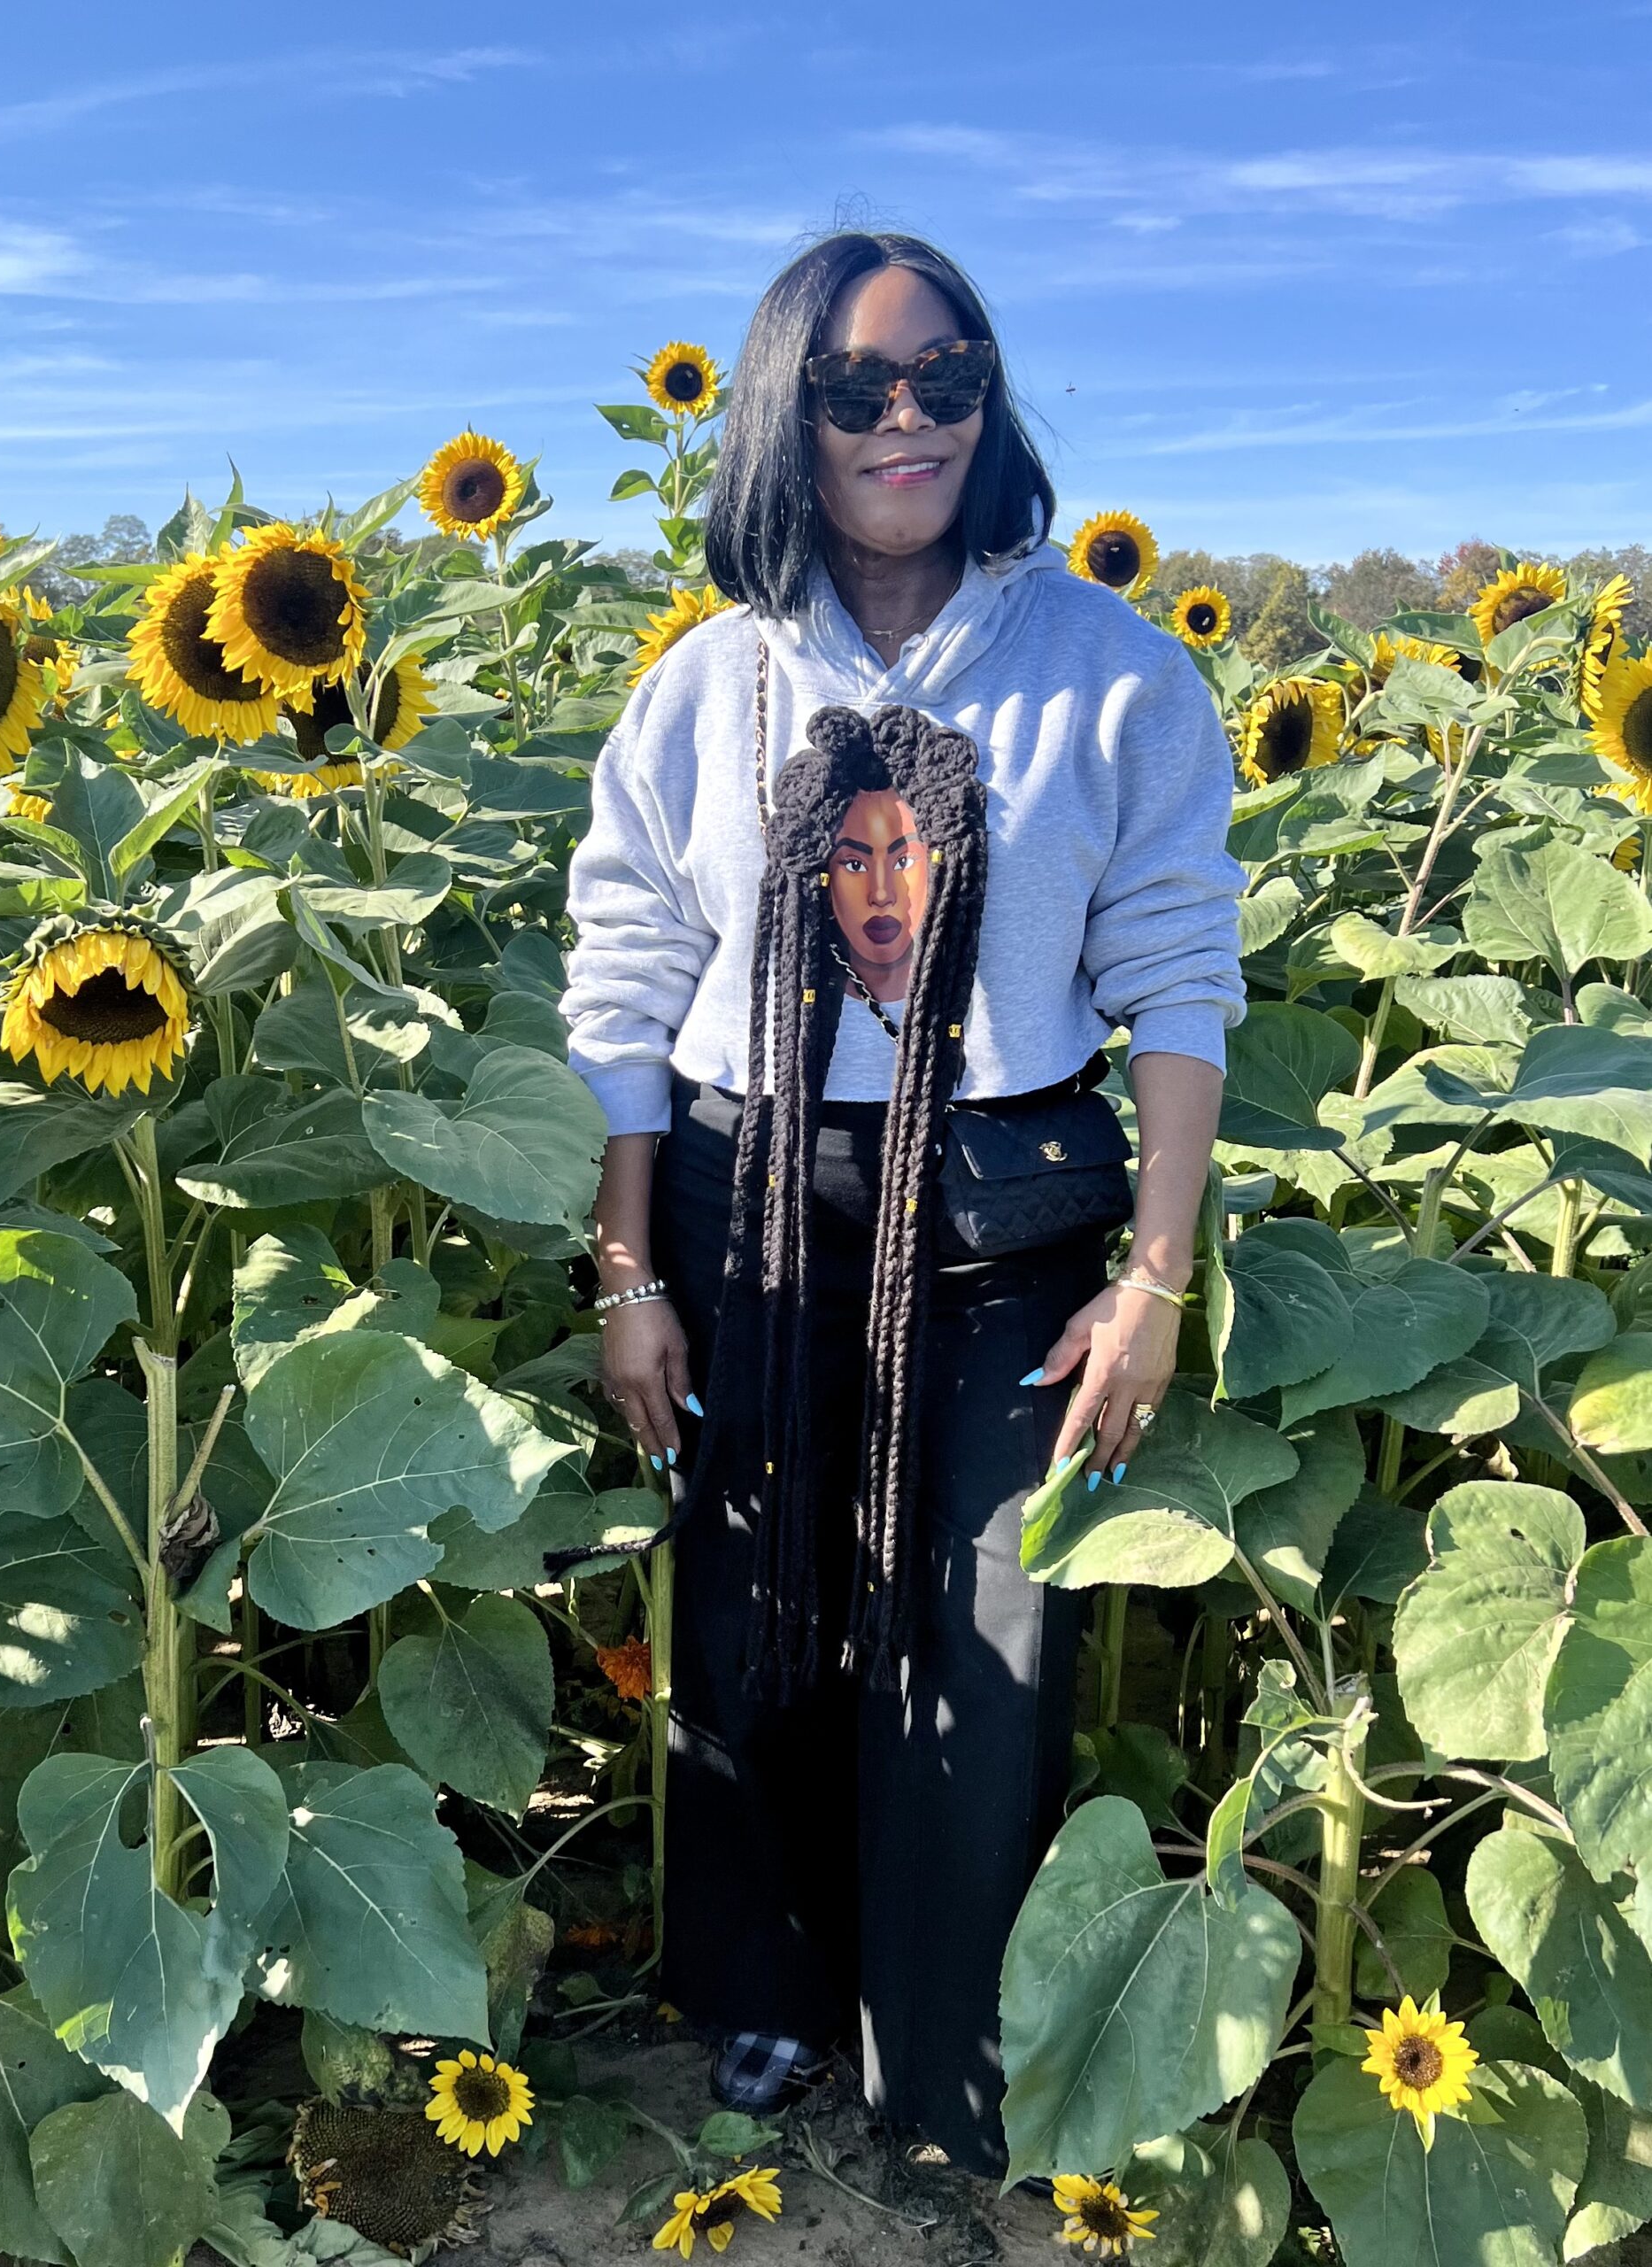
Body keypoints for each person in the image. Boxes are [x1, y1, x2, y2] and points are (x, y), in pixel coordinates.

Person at [559, 230, 1244, 2178]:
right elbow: (621, 975)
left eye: (947, 375)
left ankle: (951, 2048)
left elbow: (1178, 975)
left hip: (1008, 1203)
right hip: (744, 1183)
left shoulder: (1106, 675)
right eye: (858, 386)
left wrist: (1156, 1274)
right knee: (764, 1596)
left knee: (985, 1619)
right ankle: (771, 1992)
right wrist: (627, 1269)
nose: (910, 417)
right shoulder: (705, 687)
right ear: (786, 409)